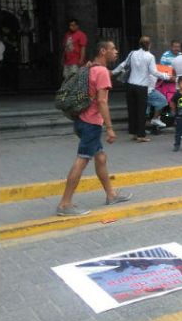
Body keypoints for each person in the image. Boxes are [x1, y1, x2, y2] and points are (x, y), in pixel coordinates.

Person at [56, 40, 132, 216]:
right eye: (113, 49)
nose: (116, 51)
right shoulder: (102, 72)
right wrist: (110, 128)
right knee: (82, 161)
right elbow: (102, 101)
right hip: (91, 123)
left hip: (81, 120)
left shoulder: (90, 68)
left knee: (101, 158)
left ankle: (111, 195)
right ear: (103, 51)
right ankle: (64, 204)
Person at [112, 36, 171, 142]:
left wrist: (112, 72)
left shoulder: (132, 53)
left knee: (132, 110)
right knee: (141, 111)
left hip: (130, 85)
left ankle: (134, 133)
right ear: (149, 44)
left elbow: (123, 65)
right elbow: (154, 72)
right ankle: (141, 135)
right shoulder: (150, 57)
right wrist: (167, 76)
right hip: (142, 87)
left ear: (139, 44)